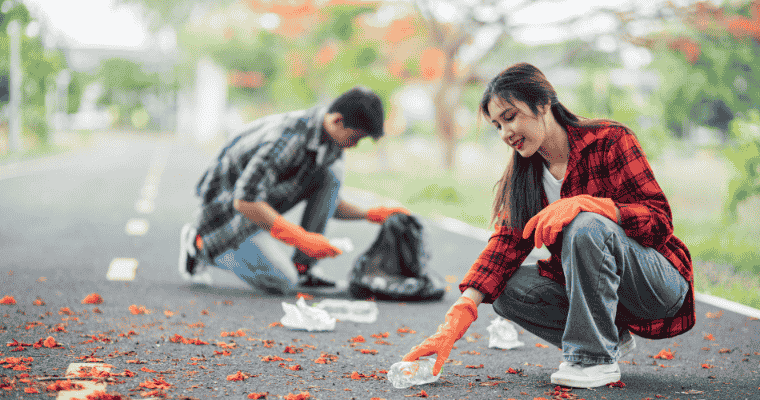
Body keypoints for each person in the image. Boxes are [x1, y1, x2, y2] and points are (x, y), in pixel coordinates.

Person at [401, 63, 694, 388]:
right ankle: (610, 337)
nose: (504, 133)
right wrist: (454, 321)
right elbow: (503, 248)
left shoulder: (609, 139)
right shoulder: (526, 176)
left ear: (543, 104)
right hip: (599, 296)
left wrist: (593, 206)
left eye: (509, 117)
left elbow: (659, 221)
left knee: (586, 224)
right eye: (497, 125)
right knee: (504, 290)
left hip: (655, 284)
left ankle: (593, 359)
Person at [178, 86, 410, 294]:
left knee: (331, 175)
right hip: (225, 215)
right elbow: (244, 201)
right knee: (281, 281)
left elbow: (329, 202)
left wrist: (370, 215)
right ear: (338, 120)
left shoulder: (329, 139)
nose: (356, 145)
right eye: (356, 138)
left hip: (258, 202)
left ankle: (304, 269)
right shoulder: (288, 138)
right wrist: (301, 238)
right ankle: (200, 245)